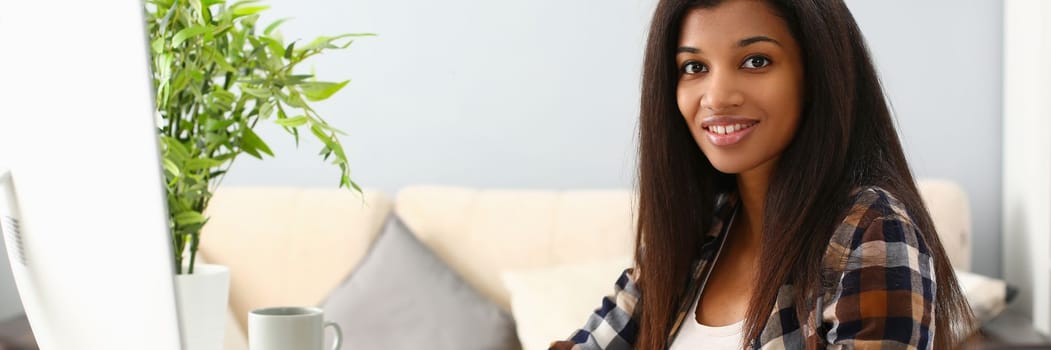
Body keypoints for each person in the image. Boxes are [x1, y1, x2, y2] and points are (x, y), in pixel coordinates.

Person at [548, 0, 975, 349]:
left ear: (817, 73)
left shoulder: (871, 230)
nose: (716, 97)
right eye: (694, 67)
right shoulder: (692, 234)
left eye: (755, 61)